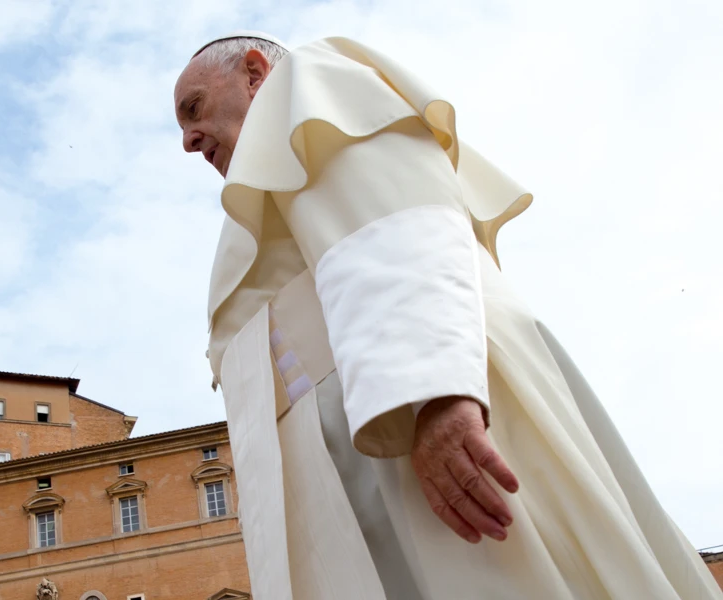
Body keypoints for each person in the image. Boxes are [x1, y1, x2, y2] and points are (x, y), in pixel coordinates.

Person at [173, 31, 722, 599]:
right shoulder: (257, 194)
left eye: (195, 108)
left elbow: (396, 221)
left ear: (257, 72)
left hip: (410, 410)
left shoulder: (307, 81)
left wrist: (437, 394)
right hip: (354, 454)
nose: (188, 140)